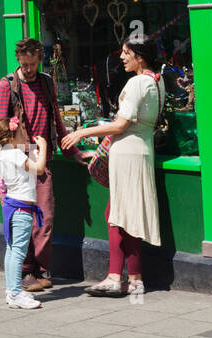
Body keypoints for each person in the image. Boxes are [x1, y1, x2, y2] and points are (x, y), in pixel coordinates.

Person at [62, 36, 165, 297]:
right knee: (123, 214)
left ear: (139, 57)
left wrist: (81, 133)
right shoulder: (156, 81)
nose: (121, 57)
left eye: (126, 52)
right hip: (140, 150)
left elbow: (120, 126)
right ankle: (132, 279)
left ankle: (116, 278)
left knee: (119, 215)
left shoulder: (137, 83)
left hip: (128, 155)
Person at [0, 38, 80, 293]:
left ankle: (39, 269)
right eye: (24, 64)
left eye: (32, 64)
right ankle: (25, 271)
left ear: (40, 60)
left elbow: (57, 121)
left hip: (42, 161)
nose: (28, 69)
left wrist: (72, 150)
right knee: (22, 221)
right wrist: (3, 167)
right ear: (18, 59)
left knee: (45, 218)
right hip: (17, 165)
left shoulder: (47, 82)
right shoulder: (6, 86)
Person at [0, 119, 48, 309]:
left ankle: (12, 290)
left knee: (11, 250)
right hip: (21, 210)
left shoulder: (3, 154)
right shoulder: (15, 153)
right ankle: (16, 293)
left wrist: (33, 155)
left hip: (12, 206)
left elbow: (27, 174)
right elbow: (40, 169)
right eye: (20, 133)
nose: (24, 136)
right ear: (11, 136)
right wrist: (44, 147)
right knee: (18, 252)